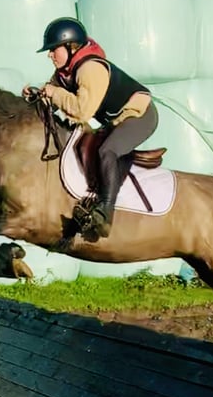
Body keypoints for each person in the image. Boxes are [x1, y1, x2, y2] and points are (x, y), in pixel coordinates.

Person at [27, 16, 158, 238]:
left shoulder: (90, 68)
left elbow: (81, 111)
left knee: (108, 151)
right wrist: (36, 94)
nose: (50, 55)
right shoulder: (65, 71)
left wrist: (53, 93)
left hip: (140, 116)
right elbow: (52, 92)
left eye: (53, 49)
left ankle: (105, 214)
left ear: (70, 46)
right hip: (116, 120)